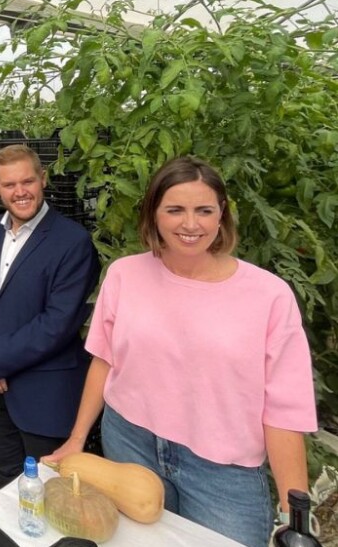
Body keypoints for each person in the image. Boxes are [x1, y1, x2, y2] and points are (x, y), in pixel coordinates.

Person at [45, 156, 317, 547]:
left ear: (221, 214)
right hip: (129, 443)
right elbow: (104, 360)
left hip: (222, 472)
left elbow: (285, 410)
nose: (191, 224)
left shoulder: (269, 296)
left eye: (204, 210)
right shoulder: (125, 274)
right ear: (154, 214)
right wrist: (76, 438)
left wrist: (296, 520)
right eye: (175, 210)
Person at [0, 144, 99, 490]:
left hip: (42, 393)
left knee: (52, 487)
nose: (20, 192)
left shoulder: (73, 242)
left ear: (43, 179)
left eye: (28, 181)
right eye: (9, 184)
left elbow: (58, 323)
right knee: (5, 477)